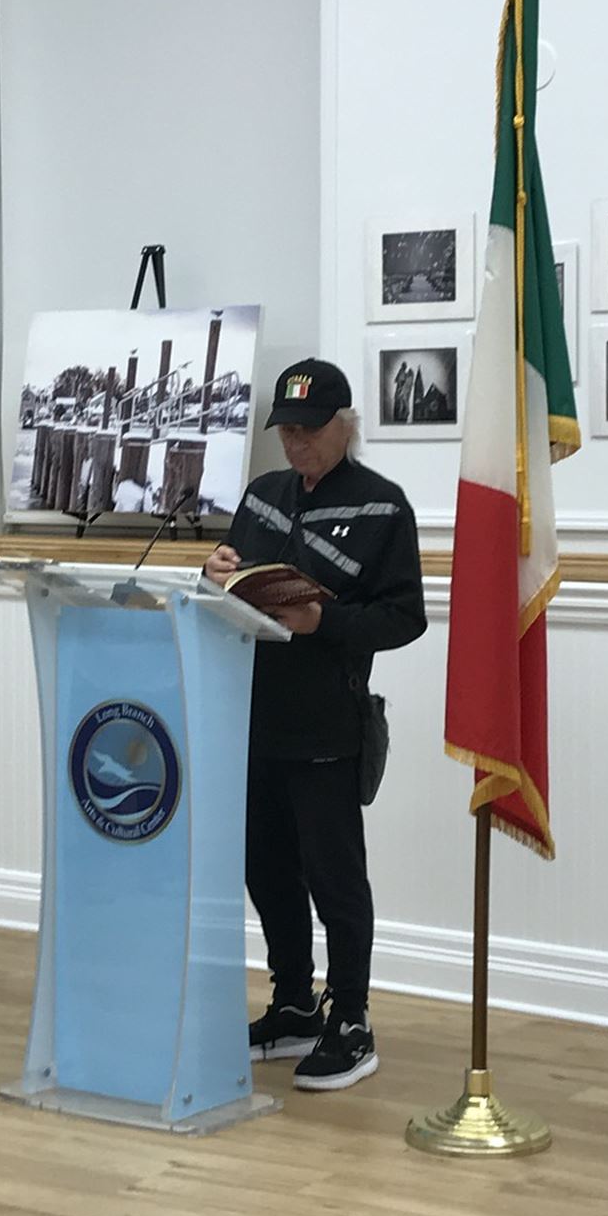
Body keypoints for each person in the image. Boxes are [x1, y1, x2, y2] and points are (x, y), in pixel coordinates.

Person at [204, 358, 426, 1091]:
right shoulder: (263, 496)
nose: (294, 446)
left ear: (344, 425)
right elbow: (237, 584)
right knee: (265, 867)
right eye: (286, 432)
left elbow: (404, 616)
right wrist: (218, 570)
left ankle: (351, 1019)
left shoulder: (382, 506)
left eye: (308, 432)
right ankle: (295, 1001)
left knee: (335, 878)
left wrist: (321, 619)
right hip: (254, 713)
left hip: (328, 720)